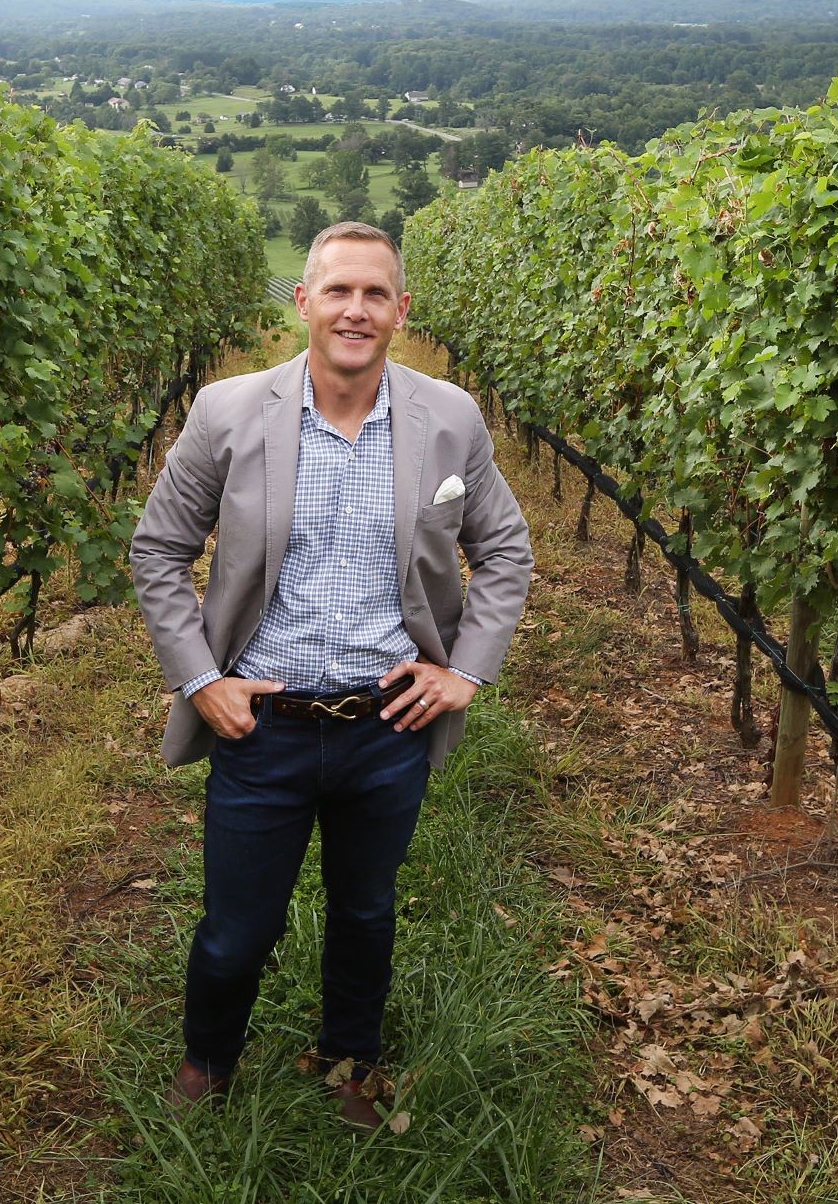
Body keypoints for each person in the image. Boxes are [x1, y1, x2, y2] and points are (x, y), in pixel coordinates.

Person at [128, 221, 535, 1127]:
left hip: (387, 724)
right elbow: (158, 549)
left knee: (365, 911)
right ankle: (208, 1055)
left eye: (376, 294)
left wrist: (467, 670)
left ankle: (353, 1058)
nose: (357, 309)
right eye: (339, 290)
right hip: (261, 723)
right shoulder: (226, 413)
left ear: (401, 311)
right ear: (304, 301)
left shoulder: (449, 419)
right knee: (238, 930)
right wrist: (201, 678)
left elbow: (503, 547)